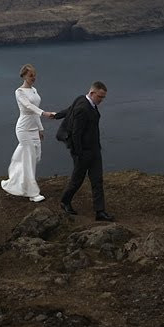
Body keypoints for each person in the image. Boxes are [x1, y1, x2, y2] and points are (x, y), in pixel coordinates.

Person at [51, 81, 116, 222]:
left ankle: (100, 211)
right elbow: (76, 133)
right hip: (83, 152)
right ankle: (65, 201)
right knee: (77, 179)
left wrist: (56, 115)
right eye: (100, 97)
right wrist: (78, 154)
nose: (101, 100)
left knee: (97, 180)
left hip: (94, 149)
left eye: (103, 97)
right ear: (92, 93)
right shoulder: (83, 108)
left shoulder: (81, 99)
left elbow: (69, 110)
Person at [0, 63, 58, 202]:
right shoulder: (19, 92)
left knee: (35, 157)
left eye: (34, 75)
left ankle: (16, 181)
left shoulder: (34, 90)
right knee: (29, 158)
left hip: (34, 129)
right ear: (24, 76)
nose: (33, 78)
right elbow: (29, 106)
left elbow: (34, 112)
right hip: (23, 129)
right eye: (31, 75)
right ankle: (32, 193)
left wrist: (40, 129)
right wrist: (44, 113)